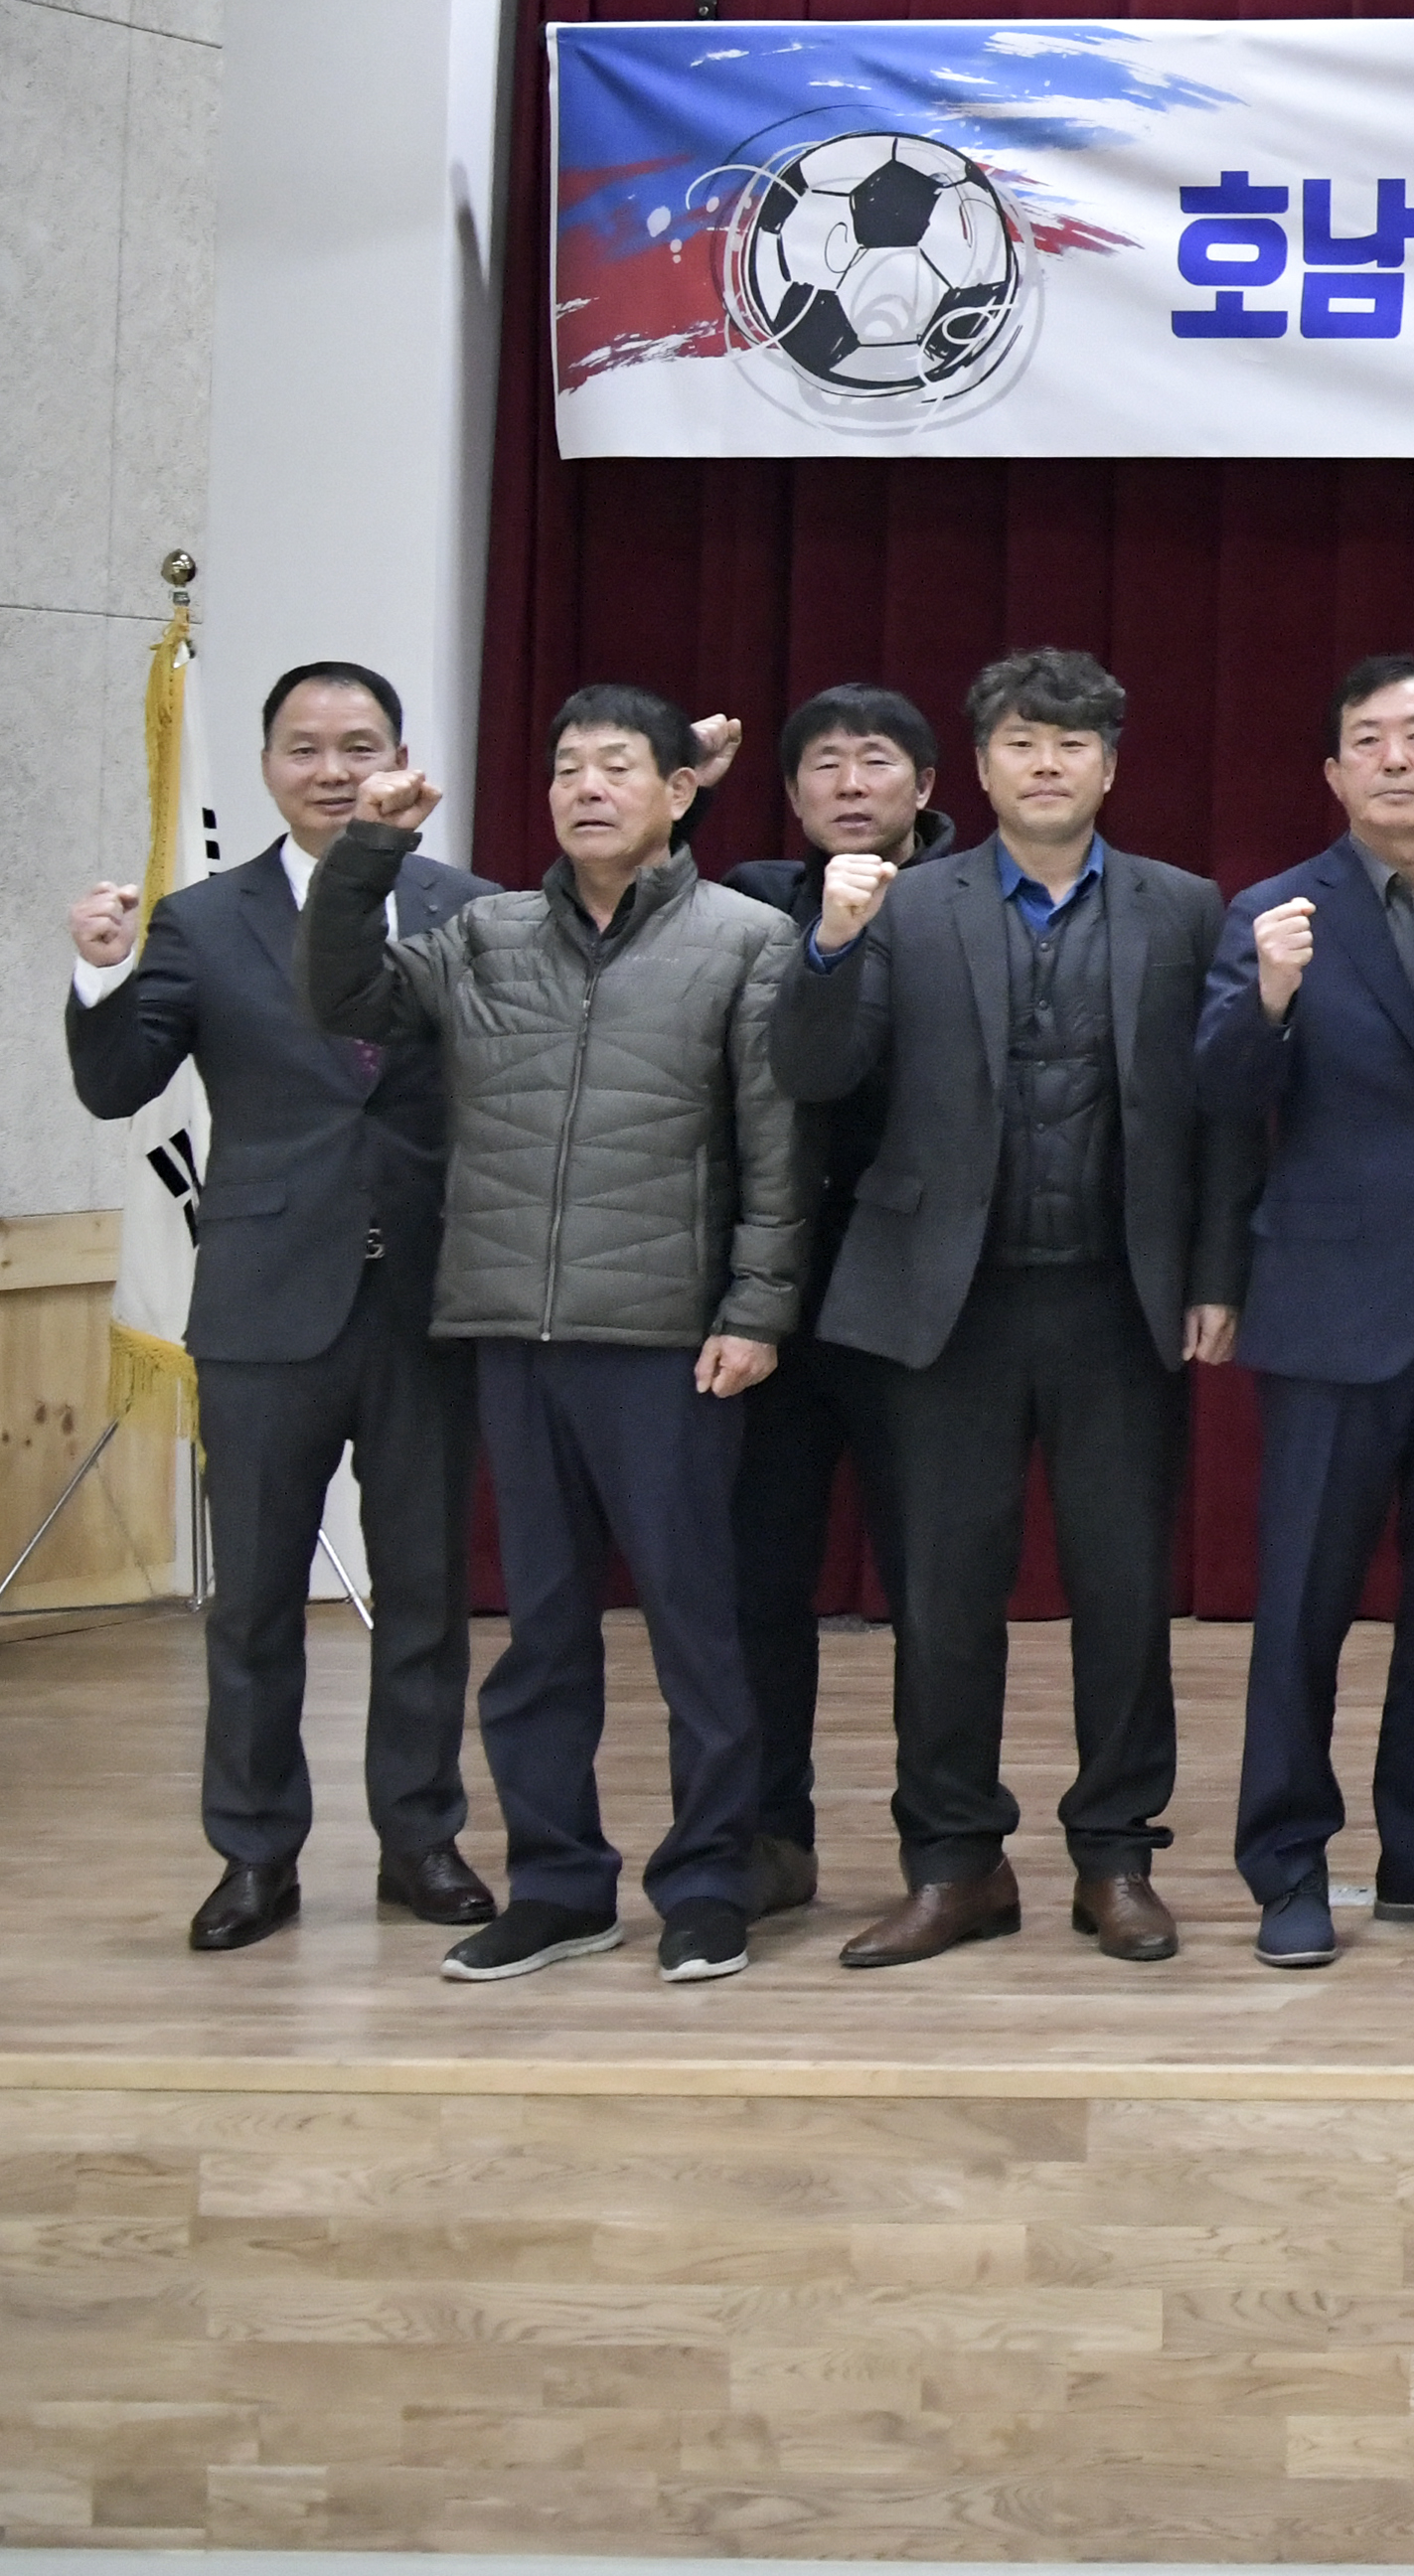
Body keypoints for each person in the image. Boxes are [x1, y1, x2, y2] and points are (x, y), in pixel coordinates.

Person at [298, 686, 804, 1987]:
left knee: (696, 1630)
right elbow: (345, 993)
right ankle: (560, 1882)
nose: (587, 788)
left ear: (676, 790)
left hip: (667, 1341)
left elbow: (775, 1146)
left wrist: (755, 1309)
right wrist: (370, 848)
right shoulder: (481, 935)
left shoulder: (743, 938)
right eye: (567, 766)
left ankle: (703, 1882)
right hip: (511, 1326)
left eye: (617, 766)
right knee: (540, 1638)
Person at [777, 648, 1242, 1972]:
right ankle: (953, 1862)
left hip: (1116, 1299)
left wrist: (1214, 1275)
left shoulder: (1182, 907)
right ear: (976, 768)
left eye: (1074, 743)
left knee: (1122, 1594)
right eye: (1023, 742)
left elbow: (1218, 1116)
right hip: (943, 1306)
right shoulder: (903, 906)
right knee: (942, 1598)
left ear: (1110, 765)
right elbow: (811, 1071)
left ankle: (1115, 1856)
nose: (1047, 764)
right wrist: (828, 945)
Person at [63, 660, 494, 1951]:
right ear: (265, 766)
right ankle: (255, 1854)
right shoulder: (198, 918)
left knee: (423, 1591)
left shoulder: (466, 907)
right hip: (260, 1306)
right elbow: (118, 1082)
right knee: (251, 1601)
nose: (330, 769)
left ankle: (421, 1841)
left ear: (400, 759)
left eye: (357, 745)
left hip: (426, 1297)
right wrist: (98, 976)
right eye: (303, 747)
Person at [1195, 653, 1414, 1970]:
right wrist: (1270, 998)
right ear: (1334, 774)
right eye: (1369, 739)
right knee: (1299, 1603)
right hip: (1332, 1301)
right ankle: (1286, 1860)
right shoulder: (1272, 911)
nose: (1396, 759)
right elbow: (1222, 1095)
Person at [710, 683, 948, 1917]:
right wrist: (682, 783)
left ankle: (942, 1848)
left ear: (923, 784)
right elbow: (620, 897)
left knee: (932, 1587)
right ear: (793, 795)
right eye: (823, 767)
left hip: (924, 1285)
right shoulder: (750, 898)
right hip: (777, 1289)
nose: (850, 785)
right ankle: (767, 1835)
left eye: (875, 762)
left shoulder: (970, 901)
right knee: (761, 1577)